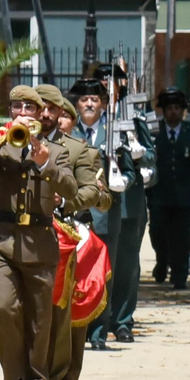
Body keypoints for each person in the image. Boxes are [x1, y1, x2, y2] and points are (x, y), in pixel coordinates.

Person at [0, 85, 74, 380]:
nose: (23, 113)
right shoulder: (1, 145)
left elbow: (71, 188)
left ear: (40, 113)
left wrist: (45, 165)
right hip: (2, 242)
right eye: (17, 107)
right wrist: (3, 134)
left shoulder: (55, 151)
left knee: (39, 320)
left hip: (39, 244)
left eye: (30, 108)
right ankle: (11, 378)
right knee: (3, 308)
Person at [35, 84, 108, 380]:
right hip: (27, 233)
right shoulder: (16, 140)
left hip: (68, 234)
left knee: (67, 311)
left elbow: (96, 193)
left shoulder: (79, 150)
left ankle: (64, 376)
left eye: (56, 111)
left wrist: (66, 202)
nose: (49, 115)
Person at [71, 68, 153, 346]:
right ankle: (81, 325)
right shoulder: (70, 130)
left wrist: (128, 177)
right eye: (84, 99)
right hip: (77, 213)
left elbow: (139, 162)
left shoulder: (120, 126)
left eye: (95, 98)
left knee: (114, 270)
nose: (89, 103)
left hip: (111, 210)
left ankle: (109, 326)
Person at [149, 87, 190, 291]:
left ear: (183, 110)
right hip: (159, 194)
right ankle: (162, 260)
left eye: (177, 108)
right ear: (163, 110)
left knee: (183, 236)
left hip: (184, 196)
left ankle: (180, 275)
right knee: (157, 233)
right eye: (169, 108)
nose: (173, 112)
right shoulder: (154, 132)